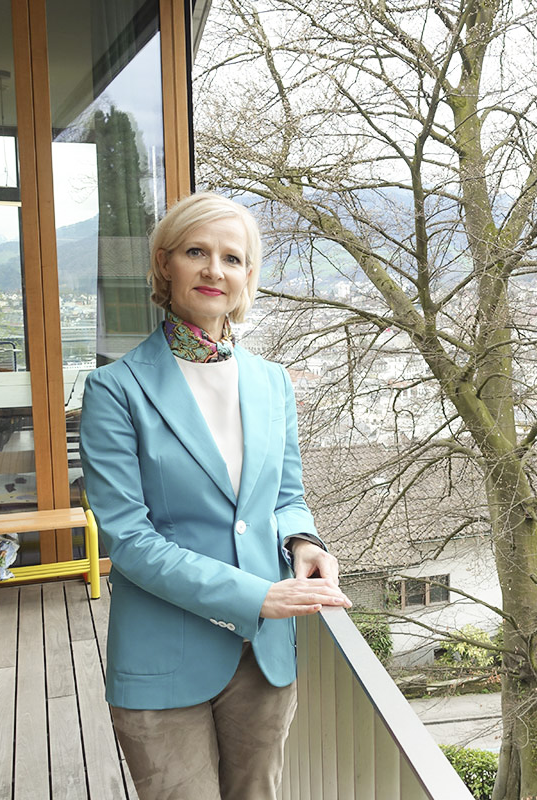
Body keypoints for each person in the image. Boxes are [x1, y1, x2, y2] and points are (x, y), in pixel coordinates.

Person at [80, 191, 351, 800]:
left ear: (247, 278)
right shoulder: (115, 391)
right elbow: (129, 540)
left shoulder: (272, 382)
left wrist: (304, 543)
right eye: (196, 252)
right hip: (163, 654)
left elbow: (285, 496)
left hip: (263, 656)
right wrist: (257, 594)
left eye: (232, 258)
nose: (214, 269)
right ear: (164, 266)